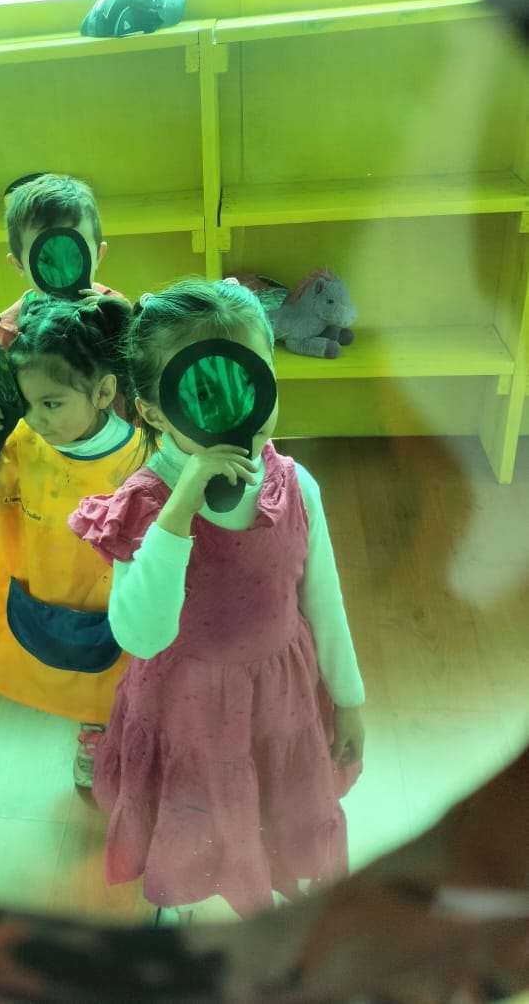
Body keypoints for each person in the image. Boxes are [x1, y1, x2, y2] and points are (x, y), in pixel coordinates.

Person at [69, 278, 366, 920]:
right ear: (153, 412)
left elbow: (325, 603)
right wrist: (179, 512)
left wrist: (349, 700)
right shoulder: (143, 508)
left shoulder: (296, 486)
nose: (237, 412)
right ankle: (178, 899)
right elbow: (141, 635)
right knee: (190, 812)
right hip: (185, 709)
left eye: (252, 382)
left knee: (268, 800)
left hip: (279, 696)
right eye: (206, 393)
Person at [0, 294, 145, 786]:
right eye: (27, 403)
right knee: (86, 684)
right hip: (46, 590)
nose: (35, 419)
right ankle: (94, 731)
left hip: (118, 602)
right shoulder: (20, 444)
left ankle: (139, 734)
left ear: (103, 392)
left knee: (130, 677)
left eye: (51, 403)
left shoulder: (141, 460)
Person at [0, 173, 125, 402]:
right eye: (46, 260)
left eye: (74, 256)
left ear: (98, 255)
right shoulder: (9, 332)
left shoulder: (114, 310)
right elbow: (1, 407)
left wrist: (119, 326)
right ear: (19, 265)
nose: (63, 273)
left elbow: (140, 384)